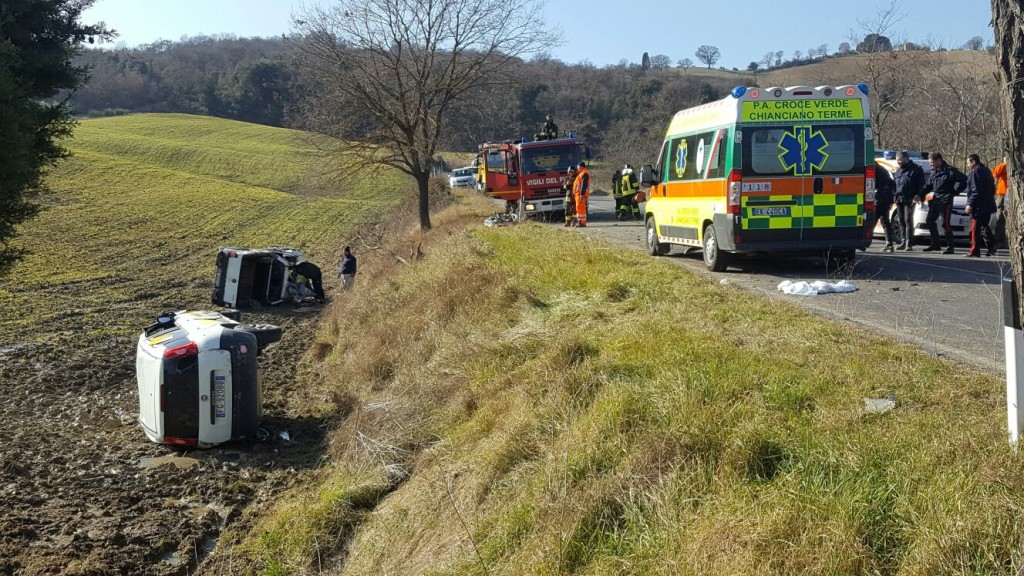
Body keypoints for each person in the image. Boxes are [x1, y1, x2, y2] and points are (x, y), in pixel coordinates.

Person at [920, 152, 968, 254]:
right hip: (936, 198)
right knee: (930, 220)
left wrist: (955, 191)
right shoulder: (934, 172)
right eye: (930, 163)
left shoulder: (950, 171)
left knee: (944, 223)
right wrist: (920, 194)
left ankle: (950, 247)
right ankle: (935, 244)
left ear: (939, 160)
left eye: (932, 162)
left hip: (946, 199)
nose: (931, 165)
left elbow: (964, 180)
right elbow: (928, 185)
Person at [964, 154, 997, 257]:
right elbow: (993, 188)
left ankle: (974, 251)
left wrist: (970, 204)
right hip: (988, 204)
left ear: (973, 162)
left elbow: (975, 191)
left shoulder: (975, 172)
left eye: (968, 163)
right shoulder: (987, 171)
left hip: (978, 205)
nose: (968, 165)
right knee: (983, 226)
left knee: (974, 229)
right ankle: (992, 246)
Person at [892, 151, 926, 251]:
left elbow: (921, 185)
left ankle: (909, 243)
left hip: (910, 199)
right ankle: (903, 241)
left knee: (908, 220)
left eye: (900, 159)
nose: (898, 161)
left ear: (906, 159)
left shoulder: (916, 169)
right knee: (901, 220)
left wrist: (919, 195)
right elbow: (895, 184)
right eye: (897, 160)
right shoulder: (898, 170)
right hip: (899, 199)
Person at [874, 160, 896, 252]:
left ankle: (865, 240)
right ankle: (889, 244)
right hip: (885, 198)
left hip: (879, 197)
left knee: (871, 220)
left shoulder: (875, 170)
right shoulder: (883, 170)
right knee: (885, 221)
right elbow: (891, 183)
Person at [994, 156, 1008, 248]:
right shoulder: (1005, 167)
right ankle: (1000, 241)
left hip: (1014, 195)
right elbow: (995, 173)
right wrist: (1005, 163)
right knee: (1001, 219)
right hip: (1003, 194)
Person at [572, 161, 591, 227]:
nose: (577, 168)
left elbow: (584, 185)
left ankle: (582, 223)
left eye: (578, 167)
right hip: (579, 195)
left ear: (581, 167)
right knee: (579, 208)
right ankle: (580, 222)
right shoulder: (581, 174)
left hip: (581, 195)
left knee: (581, 208)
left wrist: (582, 195)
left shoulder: (584, 173)